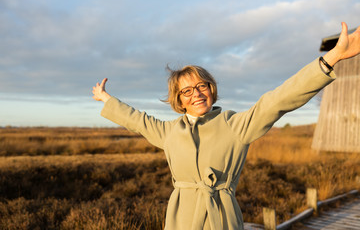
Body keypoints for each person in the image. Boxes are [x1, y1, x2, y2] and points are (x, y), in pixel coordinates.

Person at [92, 22, 360, 230]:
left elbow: (278, 100)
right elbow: (137, 120)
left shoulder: (235, 125)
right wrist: (107, 99)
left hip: (222, 216)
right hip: (181, 219)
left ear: (211, 89)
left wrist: (330, 59)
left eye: (201, 86)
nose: (196, 93)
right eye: (186, 91)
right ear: (179, 100)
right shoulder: (170, 131)